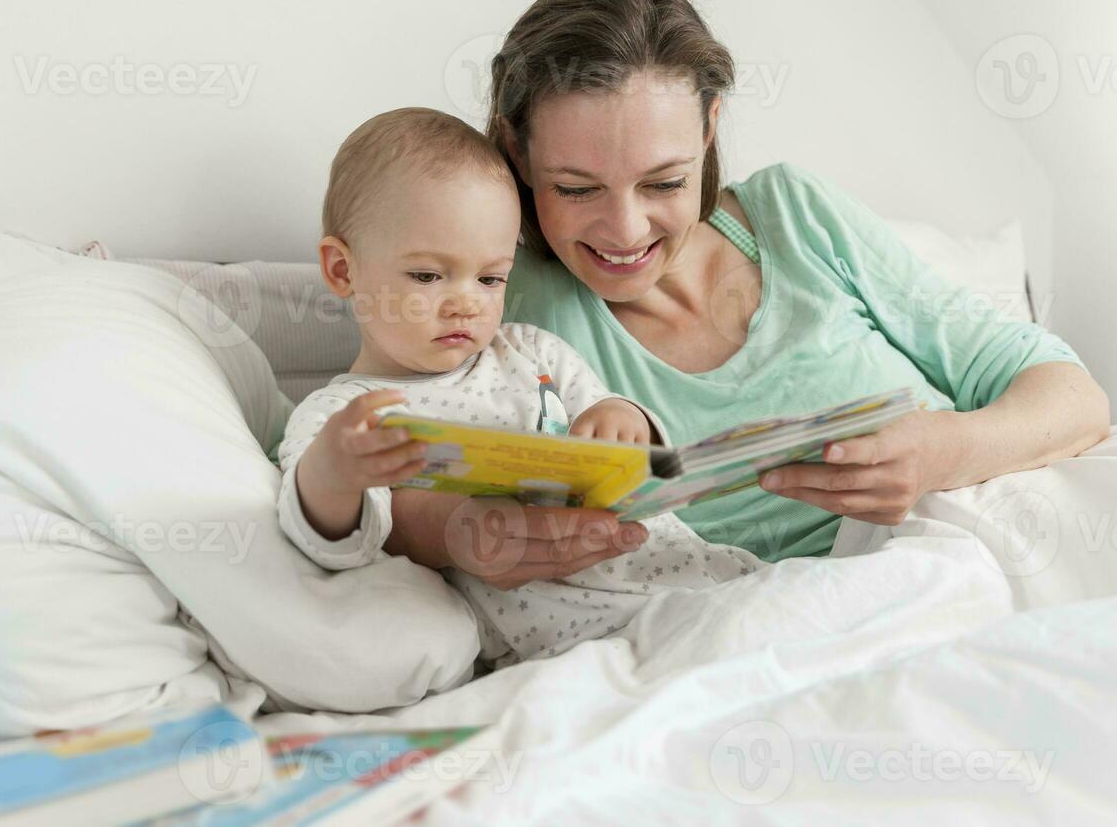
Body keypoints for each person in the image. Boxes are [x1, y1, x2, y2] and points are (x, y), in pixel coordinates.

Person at [381, 0, 1112, 579]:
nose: (627, 230)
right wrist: (476, 538)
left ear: (707, 129)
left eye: (664, 182)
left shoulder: (796, 216)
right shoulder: (495, 296)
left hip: (992, 542)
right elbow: (384, 483)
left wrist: (943, 453)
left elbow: (1070, 396)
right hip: (801, 619)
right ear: (515, 150)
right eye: (576, 189)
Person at [277, 106, 764, 668]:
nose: (465, 301)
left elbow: (623, 427)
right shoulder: (346, 415)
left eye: (490, 278)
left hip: (695, 575)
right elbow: (324, 536)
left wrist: (622, 419)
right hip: (579, 641)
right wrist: (335, 475)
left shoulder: (531, 351)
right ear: (342, 271)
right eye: (428, 276)